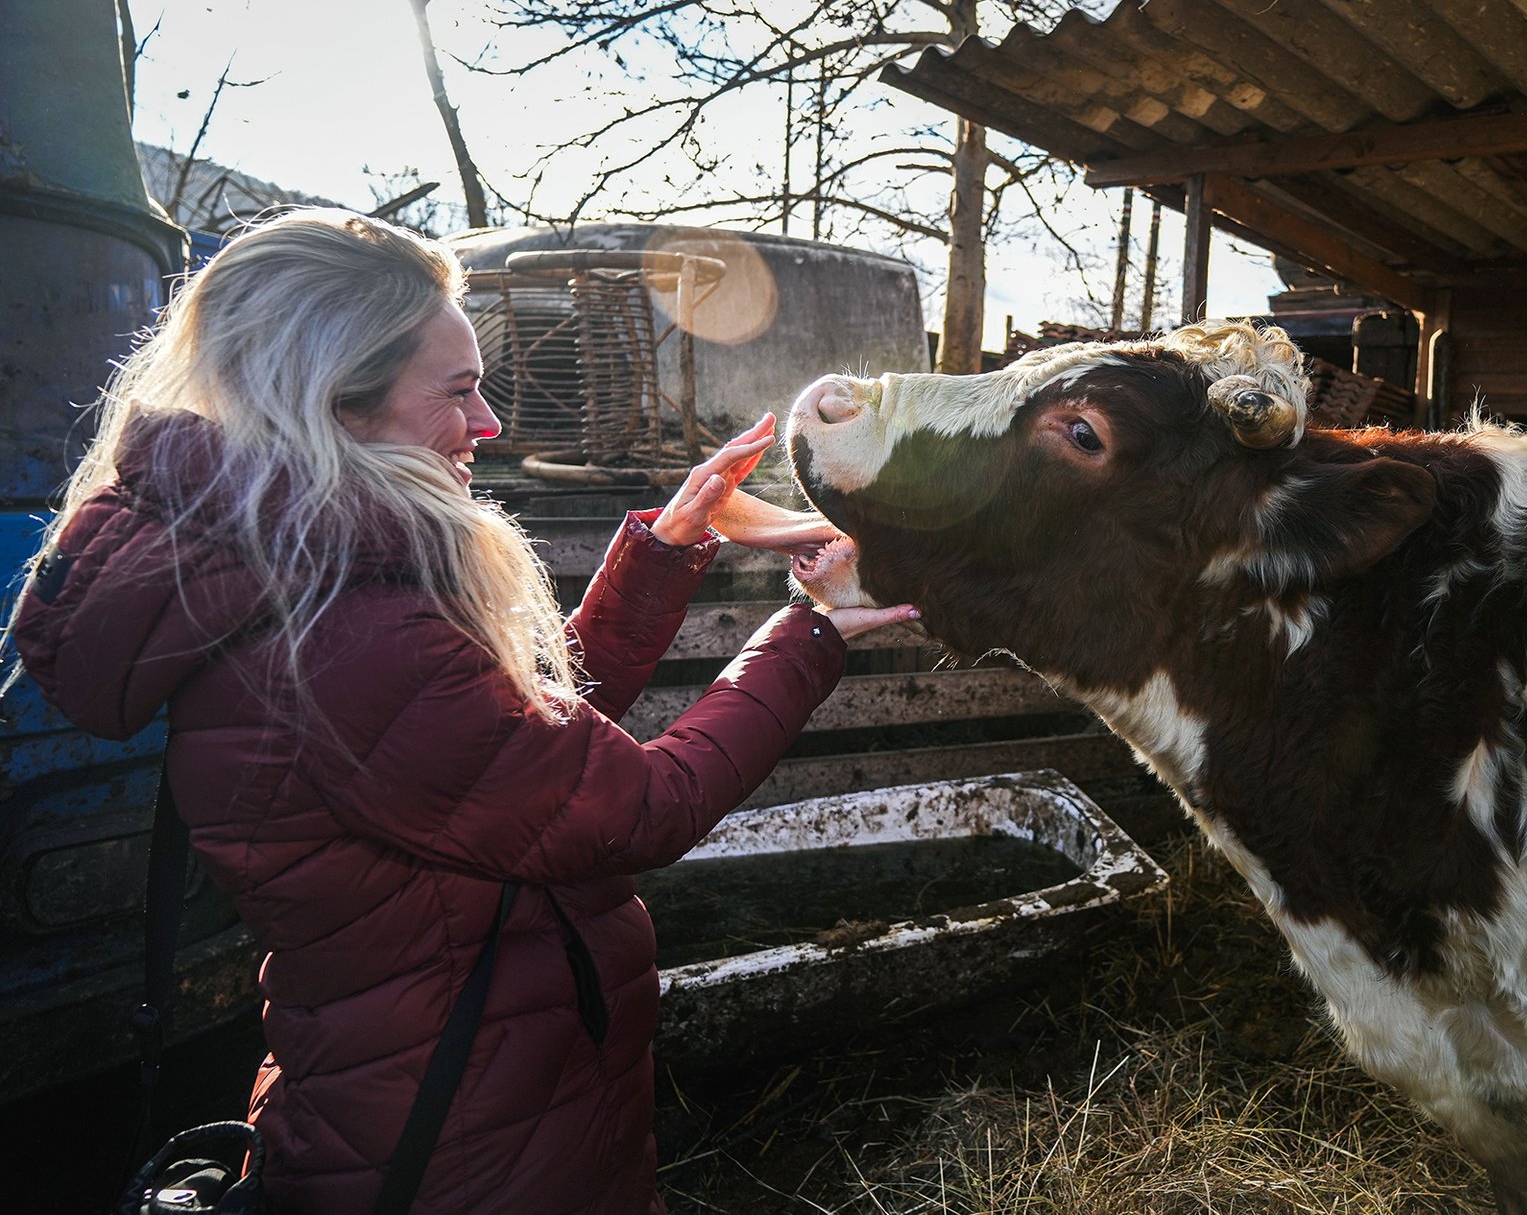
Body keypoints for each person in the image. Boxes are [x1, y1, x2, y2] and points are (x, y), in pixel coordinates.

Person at [3, 208, 915, 1215]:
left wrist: (661, 549)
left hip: (464, 1092)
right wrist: (815, 628)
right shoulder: (342, 629)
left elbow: (505, 751)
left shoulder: (296, 571)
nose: (488, 424)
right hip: (469, 1146)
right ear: (343, 405)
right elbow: (633, 805)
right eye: (459, 391)